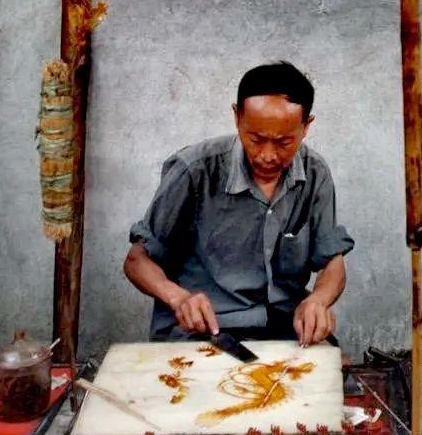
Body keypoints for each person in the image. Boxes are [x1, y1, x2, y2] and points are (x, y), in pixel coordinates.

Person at [123, 62, 353, 345]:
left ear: (306, 126)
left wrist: (318, 300)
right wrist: (178, 297)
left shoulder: (315, 173)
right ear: (236, 117)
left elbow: (333, 262)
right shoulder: (195, 171)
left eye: (283, 142)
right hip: (203, 331)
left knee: (327, 380)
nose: (267, 156)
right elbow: (137, 260)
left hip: (283, 327)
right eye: (255, 139)